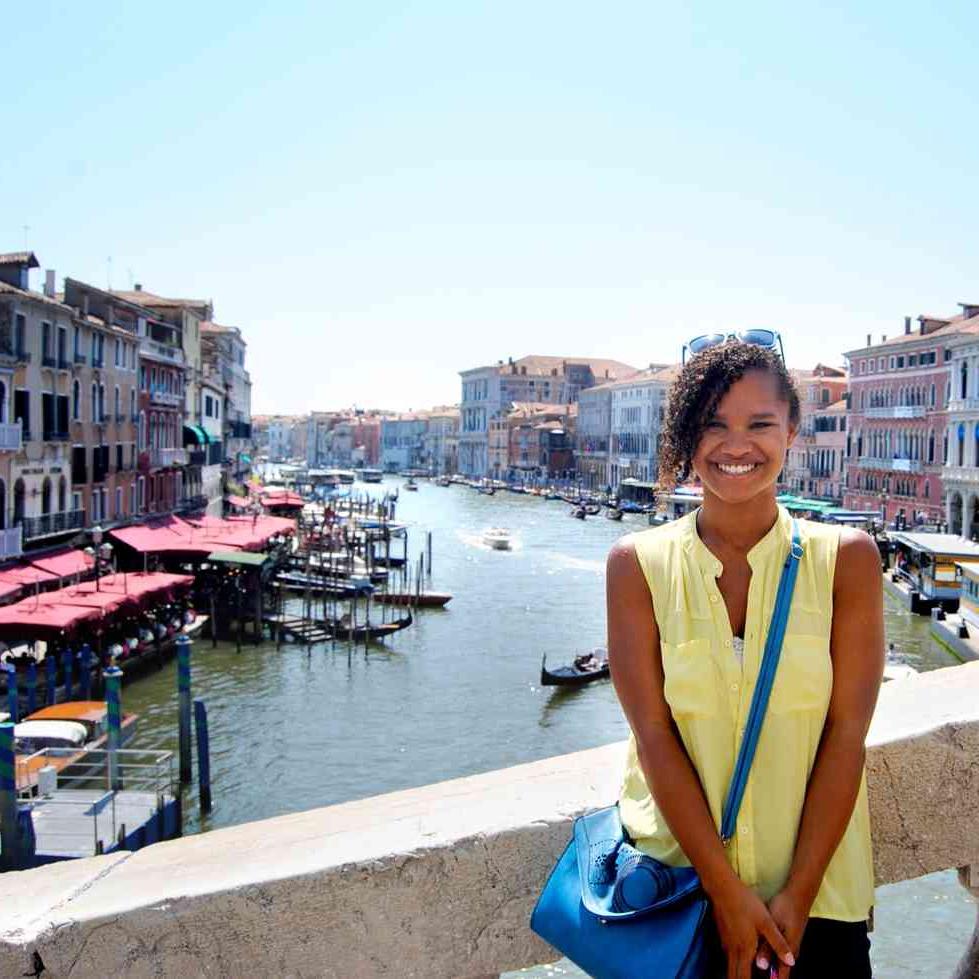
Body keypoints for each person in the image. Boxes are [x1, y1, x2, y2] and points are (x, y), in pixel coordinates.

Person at [606, 341, 883, 979]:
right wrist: (726, 894)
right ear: (684, 436)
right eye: (713, 425)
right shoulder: (636, 566)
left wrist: (800, 892)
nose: (737, 446)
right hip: (677, 897)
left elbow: (847, 736)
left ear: (790, 429)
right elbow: (652, 736)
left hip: (817, 904)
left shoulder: (848, 561)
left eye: (759, 424)